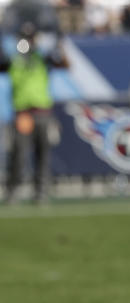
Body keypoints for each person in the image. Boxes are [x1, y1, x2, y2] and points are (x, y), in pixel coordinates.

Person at [0, 23, 69, 204]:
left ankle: (41, 192)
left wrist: (58, 45)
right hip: (23, 113)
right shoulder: (14, 59)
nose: (28, 42)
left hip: (42, 112)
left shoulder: (43, 57)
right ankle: (13, 191)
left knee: (43, 153)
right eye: (25, 38)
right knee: (19, 154)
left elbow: (64, 64)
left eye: (30, 38)